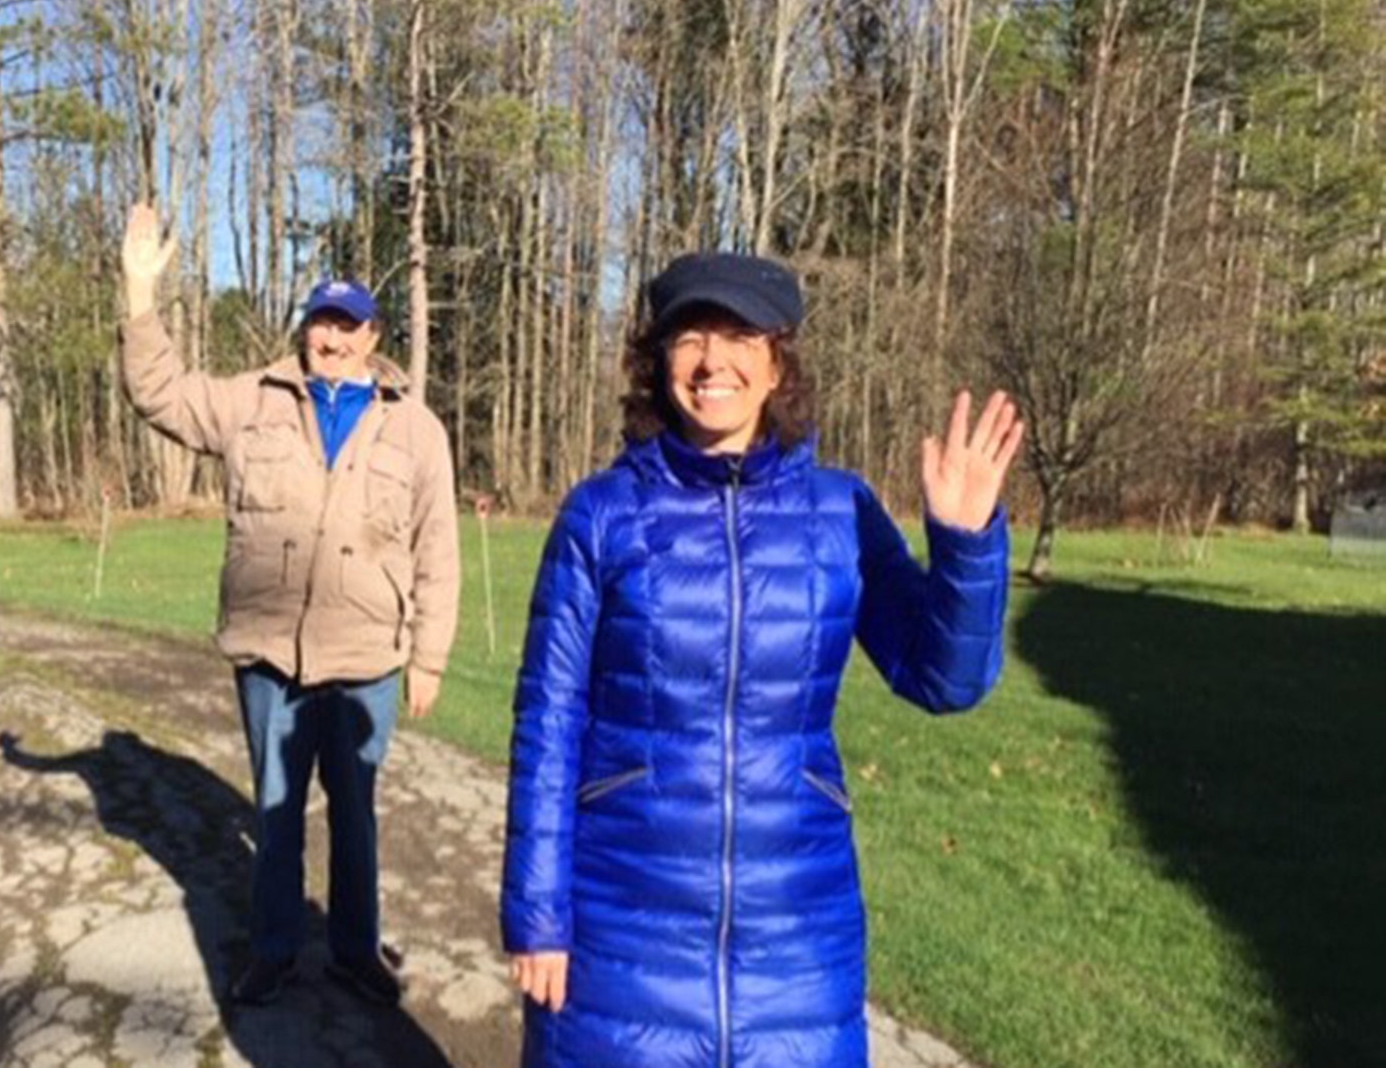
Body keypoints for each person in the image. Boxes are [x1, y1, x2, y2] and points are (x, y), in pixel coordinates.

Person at [499, 252, 1022, 1066]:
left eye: (740, 335)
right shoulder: (600, 516)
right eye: (690, 337)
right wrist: (538, 917)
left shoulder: (840, 510)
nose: (714, 361)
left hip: (799, 941)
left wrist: (965, 547)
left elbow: (943, 678)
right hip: (624, 933)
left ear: (778, 361)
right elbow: (549, 721)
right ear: (658, 359)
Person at [117, 204, 460, 1008]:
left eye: (347, 326)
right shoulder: (253, 401)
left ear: (373, 337)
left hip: (367, 658)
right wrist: (139, 298)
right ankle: (272, 951)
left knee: (356, 816)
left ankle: (354, 950)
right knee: (277, 814)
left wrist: (431, 656)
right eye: (319, 324)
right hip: (271, 655)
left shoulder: (415, 429)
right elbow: (160, 393)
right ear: (303, 329)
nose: (331, 339)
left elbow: (438, 548)